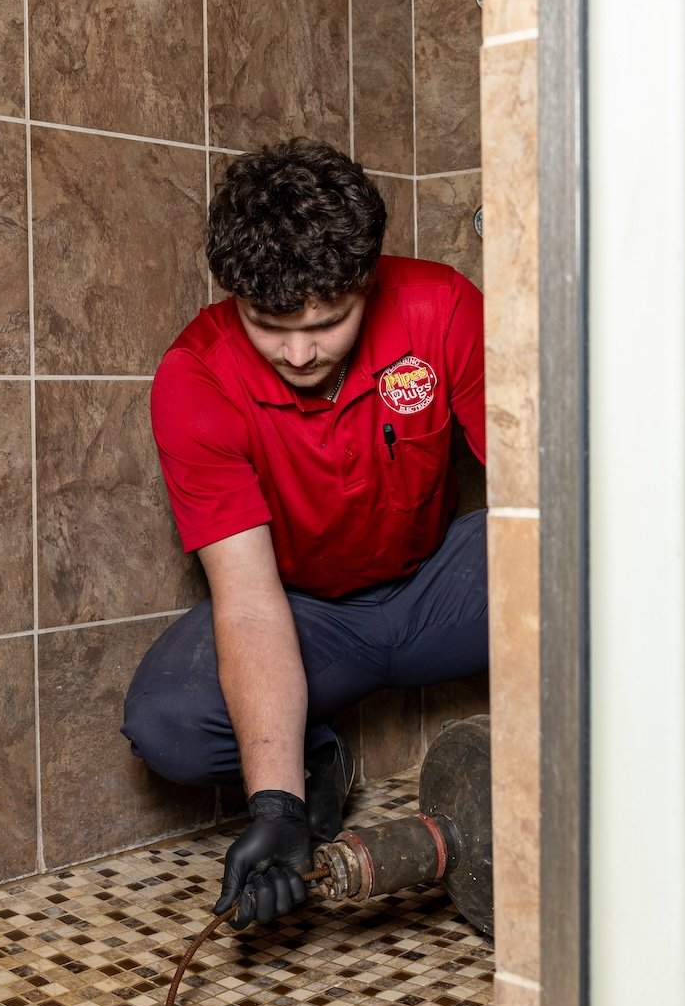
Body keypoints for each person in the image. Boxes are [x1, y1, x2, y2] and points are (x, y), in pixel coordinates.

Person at [120, 138, 489, 932]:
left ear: (367, 279)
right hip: (309, 616)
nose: (298, 353)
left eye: (326, 323)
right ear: (236, 297)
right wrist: (279, 805)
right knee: (167, 722)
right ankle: (315, 756)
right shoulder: (195, 378)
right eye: (270, 326)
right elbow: (249, 604)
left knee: (591, 559)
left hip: (446, 585)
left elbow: (547, 504)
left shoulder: (444, 307)